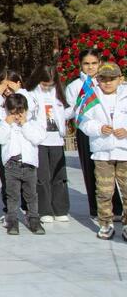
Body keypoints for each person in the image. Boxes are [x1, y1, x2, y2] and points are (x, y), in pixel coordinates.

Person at [65, 48, 121, 218]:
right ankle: (96, 209)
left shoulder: (108, 82)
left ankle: (117, 208)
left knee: (115, 170)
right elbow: (72, 110)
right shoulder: (75, 86)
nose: (90, 67)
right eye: (86, 64)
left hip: (111, 131)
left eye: (94, 63)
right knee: (91, 170)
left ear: (100, 63)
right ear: (80, 65)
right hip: (86, 131)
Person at [79, 62, 127, 240]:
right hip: (102, 152)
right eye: (103, 79)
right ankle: (105, 223)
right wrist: (99, 128)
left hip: (124, 151)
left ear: (120, 79)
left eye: (112, 79)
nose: (107, 83)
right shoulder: (91, 97)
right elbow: (83, 122)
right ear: (98, 80)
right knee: (104, 191)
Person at [0, 93, 47, 235]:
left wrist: (25, 124)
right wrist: (6, 123)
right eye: (13, 113)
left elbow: (37, 138)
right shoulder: (2, 125)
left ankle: (33, 218)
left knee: (31, 195)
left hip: (29, 166)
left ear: (26, 111)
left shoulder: (33, 124)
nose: (17, 117)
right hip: (11, 166)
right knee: (12, 195)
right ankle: (12, 220)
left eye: (20, 113)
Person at [26, 65, 71, 223]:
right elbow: (28, 114)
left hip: (56, 140)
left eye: (50, 84)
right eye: (44, 84)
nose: (47, 87)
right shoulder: (30, 95)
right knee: (42, 176)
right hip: (40, 141)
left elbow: (65, 112)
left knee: (59, 175)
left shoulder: (58, 95)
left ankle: (60, 209)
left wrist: (75, 109)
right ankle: (44, 209)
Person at [0, 70, 32, 215]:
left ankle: (29, 206)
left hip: (25, 143)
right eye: (4, 86)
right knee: (7, 176)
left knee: (28, 176)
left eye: (10, 86)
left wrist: (19, 91)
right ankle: (9, 207)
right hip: (6, 144)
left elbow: (33, 107)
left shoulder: (26, 98)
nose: (7, 90)